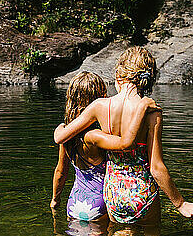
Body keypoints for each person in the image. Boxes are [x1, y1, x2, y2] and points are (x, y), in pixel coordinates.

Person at [54, 47, 193, 226]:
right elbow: (155, 166)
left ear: (119, 73)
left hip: (113, 193)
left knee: (118, 235)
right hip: (141, 192)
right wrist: (180, 203)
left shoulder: (99, 106)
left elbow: (61, 139)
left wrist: (61, 127)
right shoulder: (151, 111)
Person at [50, 71, 161, 222]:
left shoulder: (67, 135)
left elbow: (60, 172)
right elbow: (125, 144)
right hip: (99, 205)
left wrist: (55, 200)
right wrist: (141, 110)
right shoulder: (96, 136)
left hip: (74, 203)